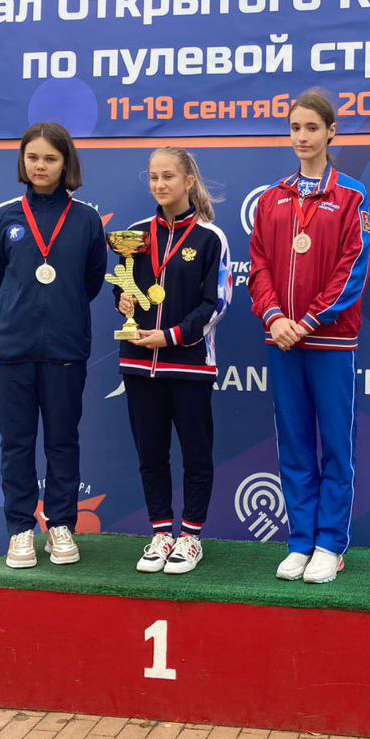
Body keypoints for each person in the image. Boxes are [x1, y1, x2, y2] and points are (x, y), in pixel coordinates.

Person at [248, 90, 370, 584]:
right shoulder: (272, 198)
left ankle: (330, 544)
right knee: (295, 444)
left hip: (329, 340)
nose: (302, 136)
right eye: (295, 128)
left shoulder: (351, 197)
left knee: (336, 445)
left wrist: (310, 320)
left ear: (330, 132)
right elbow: (258, 264)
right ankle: (300, 541)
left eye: (312, 128)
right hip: (282, 340)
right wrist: (274, 316)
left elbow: (353, 267)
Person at [0, 121, 107, 569]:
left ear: (65, 163)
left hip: (64, 349)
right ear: (23, 161)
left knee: (62, 441)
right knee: (16, 443)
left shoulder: (86, 219)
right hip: (11, 349)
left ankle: (60, 525)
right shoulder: (5, 216)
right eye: (33, 157)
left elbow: (90, 282)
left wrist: (58, 311)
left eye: (50, 158)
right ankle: (19, 529)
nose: (40, 166)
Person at [115, 147, 232, 574]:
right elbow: (122, 287)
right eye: (153, 177)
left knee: (196, 453)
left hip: (189, 362)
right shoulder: (134, 235)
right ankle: (162, 533)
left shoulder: (209, 238)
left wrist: (172, 336)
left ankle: (191, 536)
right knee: (151, 452)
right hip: (139, 362)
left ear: (188, 181)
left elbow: (217, 303)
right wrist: (123, 301)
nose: (160, 184)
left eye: (168, 176)